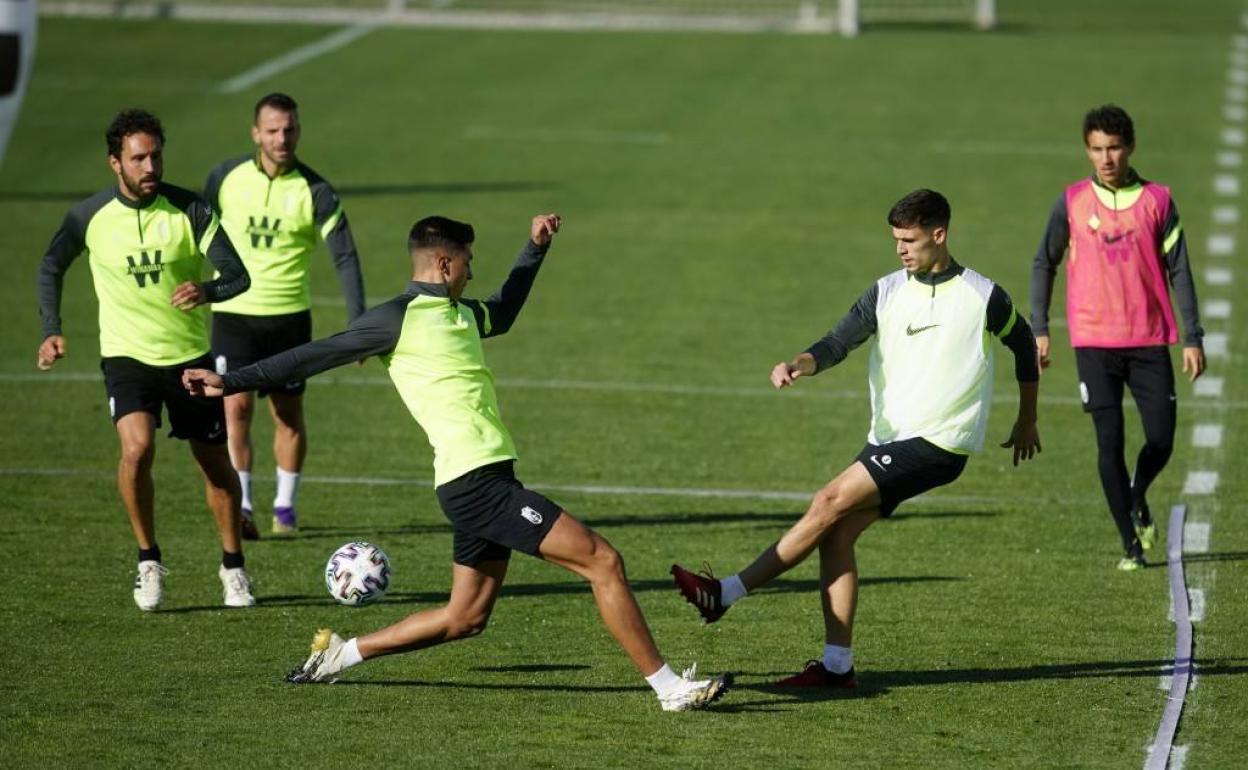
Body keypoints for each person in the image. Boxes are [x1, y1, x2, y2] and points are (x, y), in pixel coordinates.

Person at [182, 214, 731, 711]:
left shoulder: (462, 313)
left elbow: (505, 312)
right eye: (467, 262)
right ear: (444, 263)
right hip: (475, 484)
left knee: (465, 618)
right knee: (603, 561)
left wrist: (534, 249)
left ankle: (341, 655)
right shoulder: (395, 319)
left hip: (483, 479)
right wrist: (229, 380)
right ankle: (668, 689)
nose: (472, 271)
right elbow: (314, 354)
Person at [671, 189, 1041, 688]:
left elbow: (1024, 347)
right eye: (895, 240)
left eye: (909, 240)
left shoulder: (983, 296)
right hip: (887, 439)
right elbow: (836, 343)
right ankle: (836, 668)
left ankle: (725, 594)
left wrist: (1027, 420)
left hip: (941, 442)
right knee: (837, 534)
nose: (901, 250)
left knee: (827, 500)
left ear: (940, 234)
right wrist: (797, 365)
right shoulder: (885, 292)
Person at [36, 108, 255, 611]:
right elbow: (51, 265)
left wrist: (206, 289)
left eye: (155, 155)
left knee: (213, 461)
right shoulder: (88, 217)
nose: (150, 165)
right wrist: (52, 329)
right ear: (115, 162)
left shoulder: (190, 210)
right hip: (126, 357)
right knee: (136, 451)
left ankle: (233, 567)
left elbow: (237, 275)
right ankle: (148, 562)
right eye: (139, 158)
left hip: (190, 359)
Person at [1030, 104, 1205, 571]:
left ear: (1129, 148)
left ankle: (1137, 492)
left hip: (1149, 340)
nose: (1105, 158)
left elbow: (1180, 271)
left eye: (1113, 148)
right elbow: (1043, 262)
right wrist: (1040, 328)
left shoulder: (1158, 201)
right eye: (1096, 149)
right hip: (1093, 342)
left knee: (1161, 440)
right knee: (1109, 442)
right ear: (1087, 151)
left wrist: (1193, 336)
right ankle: (1131, 542)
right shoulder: (1070, 202)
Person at [203, 92, 367, 538]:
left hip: (289, 320)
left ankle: (285, 508)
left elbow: (346, 257)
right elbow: (194, 233)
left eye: (290, 129)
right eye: (273, 130)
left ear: (299, 130)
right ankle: (245, 505)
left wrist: (359, 326)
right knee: (234, 411)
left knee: (287, 415)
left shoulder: (316, 191)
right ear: (256, 132)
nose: (282, 138)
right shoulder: (224, 178)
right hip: (233, 316)